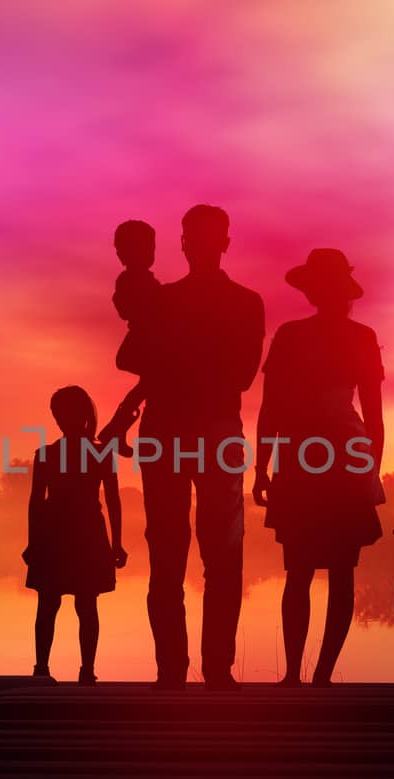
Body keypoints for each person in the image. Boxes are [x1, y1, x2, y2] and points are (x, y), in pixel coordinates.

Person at [120, 204, 264, 691]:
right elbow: (235, 372)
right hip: (202, 430)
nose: (198, 245)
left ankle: (190, 673)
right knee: (189, 555)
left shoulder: (171, 303)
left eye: (201, 237)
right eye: (195, 237)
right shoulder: (239, 303)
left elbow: (140, 358)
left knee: (182, 554)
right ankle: (190, 673)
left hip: (183, 431)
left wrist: (170, 359)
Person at [252, 248, 386, 686]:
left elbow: (270, 408)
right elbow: (374, 418)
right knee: (319, 570)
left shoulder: (301, 336)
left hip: (319, 455)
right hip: (326, 456)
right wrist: (262, 466)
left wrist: (262, 466)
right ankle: (310, 676)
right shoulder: (317, 336)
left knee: (307, 570)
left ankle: (305, 676)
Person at [22, 385, 127, 684]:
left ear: (79, 415)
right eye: (56, 414)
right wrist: (33, 542)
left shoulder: (88, 454)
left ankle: (82, 671)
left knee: (79, 604)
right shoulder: (50, 455)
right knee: (55, 604)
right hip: (61, 534)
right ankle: (46, 669)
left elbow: (114, 501)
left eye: (62, 413)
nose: (58, 419)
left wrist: (116, 543)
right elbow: (35, 503)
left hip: (83, 534)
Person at [97, 219, 160, 457]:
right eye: (145, 248)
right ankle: (116, 427)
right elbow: (127, 307)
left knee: (148, 384)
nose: (151, 253)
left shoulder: (140, 280)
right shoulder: (132, 280)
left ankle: (117, 428)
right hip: (144, 342)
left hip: (147, 341)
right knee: (150, 381)